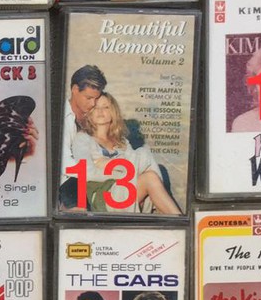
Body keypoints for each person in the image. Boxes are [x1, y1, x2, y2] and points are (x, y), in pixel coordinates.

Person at [70, 92, 182, 214]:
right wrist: (122, 173)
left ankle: (174, 216)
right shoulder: (83, 138)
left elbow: (133, 167)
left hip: (126, 189)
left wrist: (108, 164)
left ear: (113, 112)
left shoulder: (122, 141)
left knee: (148, 169)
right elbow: (86, 174)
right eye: (96, 107)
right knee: (144, 156)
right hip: (104, 195)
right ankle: (167, 210)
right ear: (89, 112)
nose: (100, 111)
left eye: (106, 107)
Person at [60, 63, 108, 193]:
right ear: (75, 90)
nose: (93, 103)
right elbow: (64, 164)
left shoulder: (95, 114)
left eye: (96, 98)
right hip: (69, 183)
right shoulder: (61, 119)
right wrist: (103, 172)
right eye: (89, 98)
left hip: (94, 175)